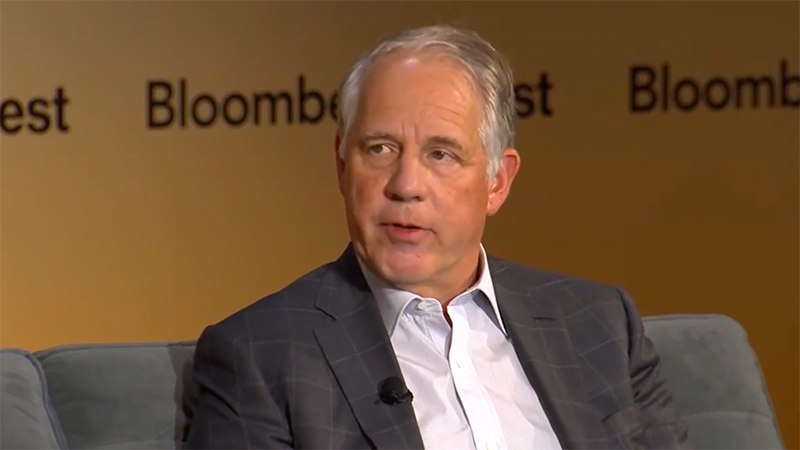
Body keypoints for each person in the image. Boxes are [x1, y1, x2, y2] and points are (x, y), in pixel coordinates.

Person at [183, 25, 693, 450]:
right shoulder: (259, 355)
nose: (405, 185)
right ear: (341, 164)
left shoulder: (599, 323)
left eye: (441, 154)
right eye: (379, 148)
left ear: (497, 181)